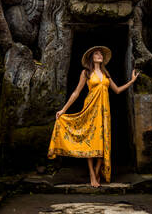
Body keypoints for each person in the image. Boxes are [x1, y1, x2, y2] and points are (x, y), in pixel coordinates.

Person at [47, 46, 139, 187]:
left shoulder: (106, 73)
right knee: (91, 141)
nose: (99, 55)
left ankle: (97, 171)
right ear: (92, 58)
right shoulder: (86, 73)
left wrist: (132, 81)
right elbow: (76, 92)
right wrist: (63, 110)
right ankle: (92, 173)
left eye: (101, 54)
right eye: (97, 53)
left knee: (103, 142)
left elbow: (117, 90)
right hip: (90, 109)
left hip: (104, 112)